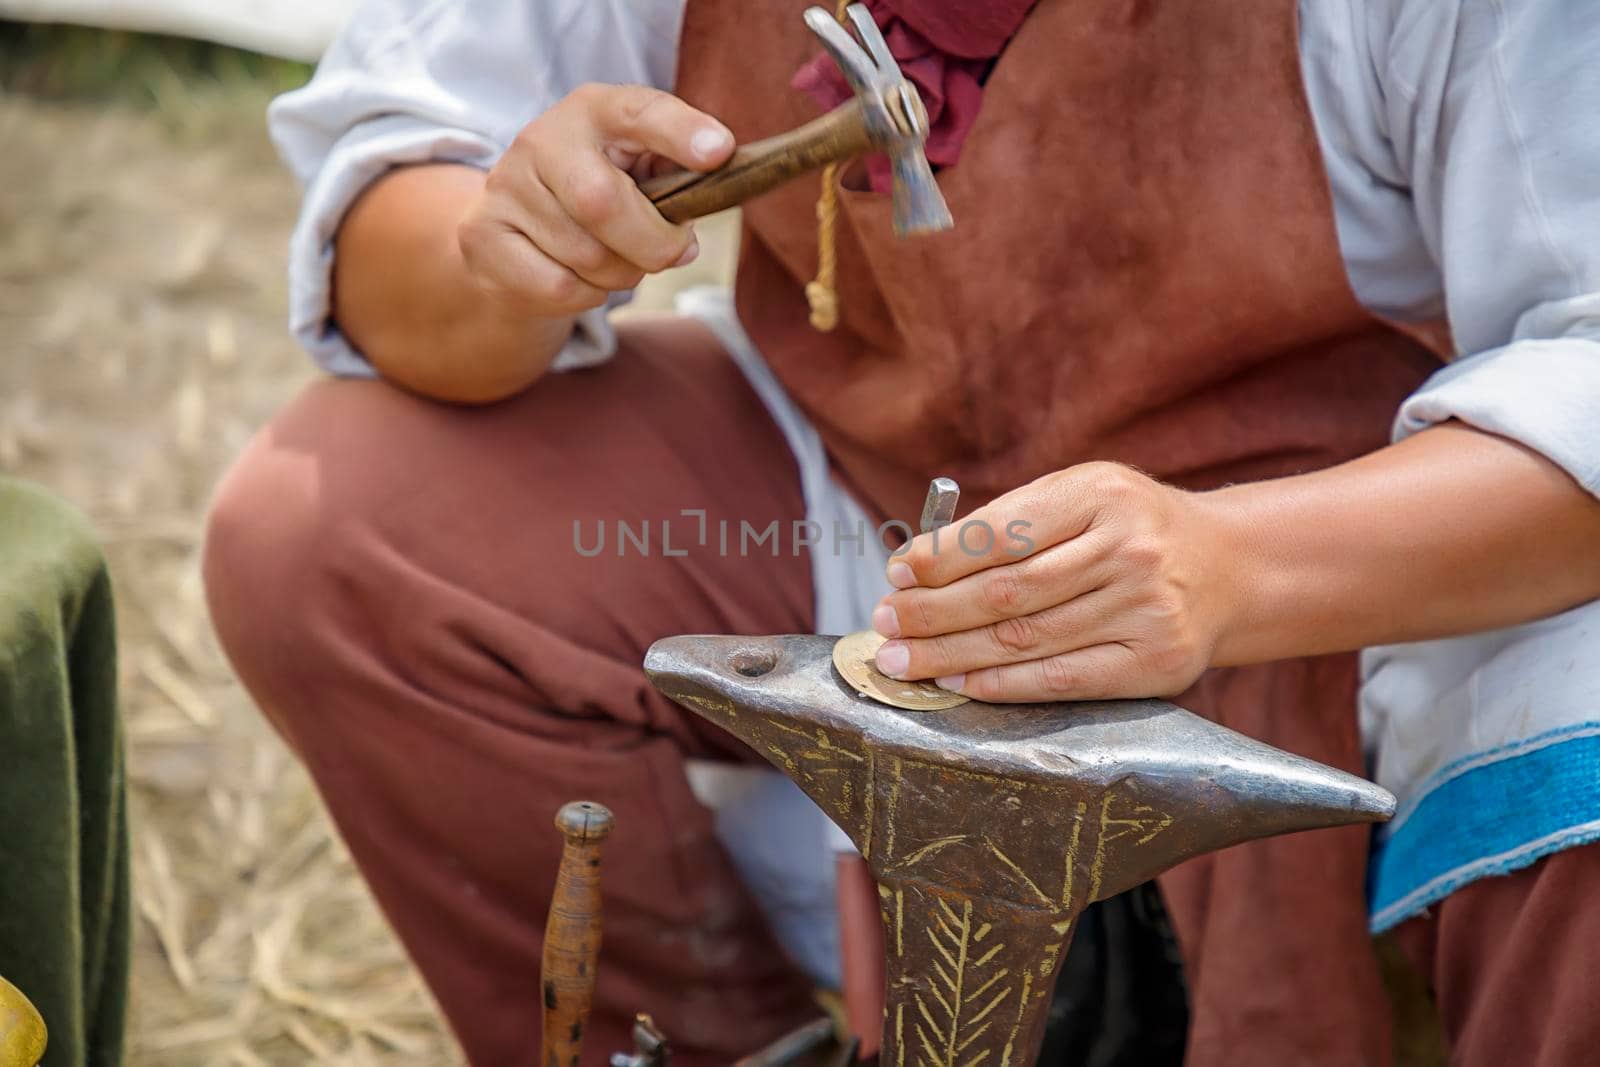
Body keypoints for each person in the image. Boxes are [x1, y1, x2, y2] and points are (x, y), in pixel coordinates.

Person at [203, 0, 1600, 1063]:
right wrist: (492, 251)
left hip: (1369, 567)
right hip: (889, 511)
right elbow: (399, 181)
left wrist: (1232, 567)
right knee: (336, 533)